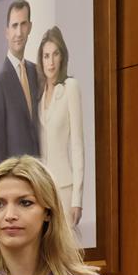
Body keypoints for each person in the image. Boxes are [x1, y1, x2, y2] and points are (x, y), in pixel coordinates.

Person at [37, 26, 85, 228]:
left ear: (62, 57)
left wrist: (77, 200)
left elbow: (77, 146)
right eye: (46, 55)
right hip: (40, 189)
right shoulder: (38, 95)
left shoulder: (70, 88)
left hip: (64, 188)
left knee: (63, 254)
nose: (51, 61)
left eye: (55, 54)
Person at [0, 0, 42, 169]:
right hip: (16, 184)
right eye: (14, 26)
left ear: (30, 27)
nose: (19, 33)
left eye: (23, 24)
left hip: (41, 179)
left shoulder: (37, 73)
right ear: (7, 32)